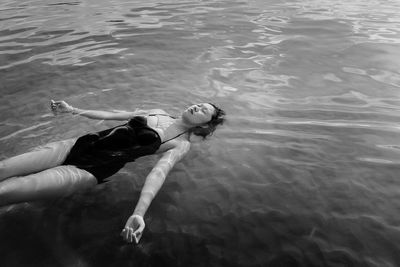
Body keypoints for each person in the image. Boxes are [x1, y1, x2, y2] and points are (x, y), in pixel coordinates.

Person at [0, 100, 225, 244]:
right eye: (199, 103)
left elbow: (158, 173)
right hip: (77, 145)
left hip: (89, 170)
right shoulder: (157, 111)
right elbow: (111, 115)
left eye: (204, 110)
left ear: (205, 124)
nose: (197, 106)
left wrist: (139, 212)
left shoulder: (180, 144)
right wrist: (74, 110)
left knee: (5, 192)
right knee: (3, 168)